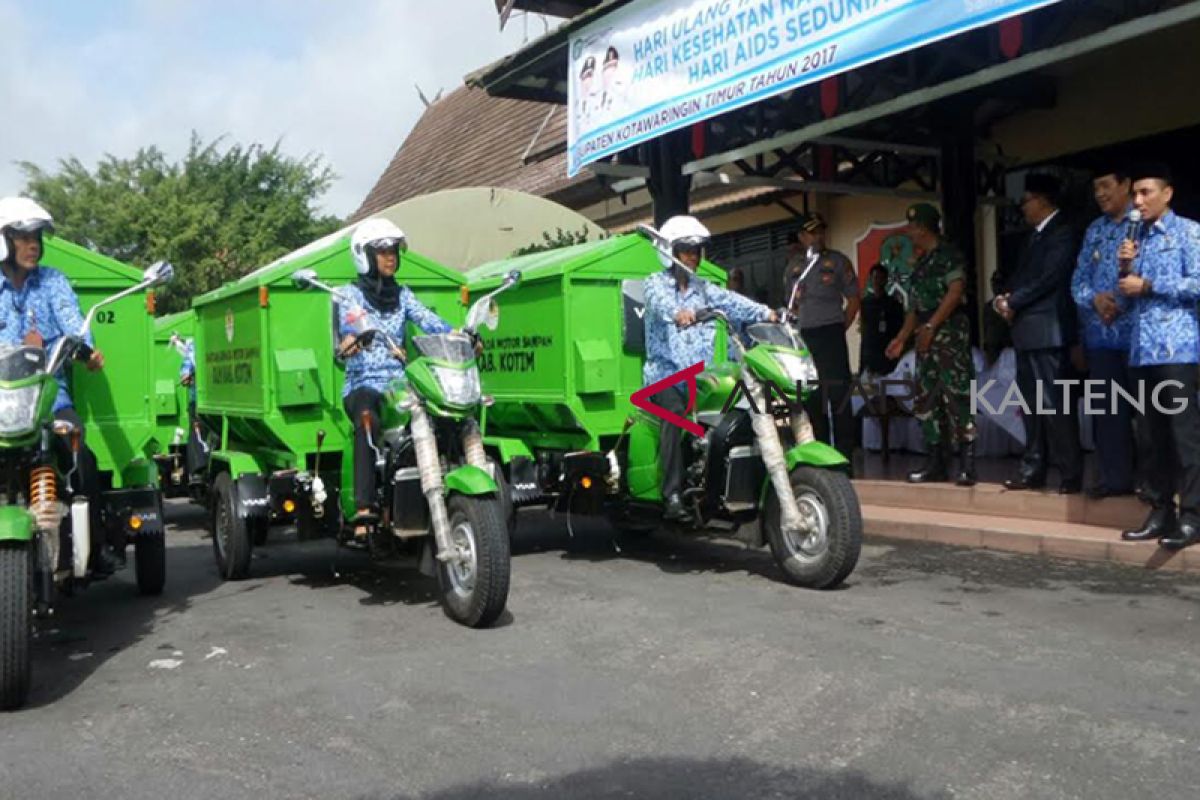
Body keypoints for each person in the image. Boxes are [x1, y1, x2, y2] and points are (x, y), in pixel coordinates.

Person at [0, 196, 110, 571]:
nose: (34, 245)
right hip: (3, 406)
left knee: (83, 461)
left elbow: (73, 323)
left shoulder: (52, 282)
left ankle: (93, 551)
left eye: (38, 237)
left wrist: (86, 351)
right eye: (23, 237)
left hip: (49, 401)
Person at [643, 215, 777, 521]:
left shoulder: (705, 289)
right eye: (687, 249)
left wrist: (769, 313)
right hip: (666, 377)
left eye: (698, 250)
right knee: (674, 413)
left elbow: (733, 302)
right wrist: (679, 313)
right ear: (671, 252)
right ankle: (673, 493)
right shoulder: (654, 284)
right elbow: (659, 304)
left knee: (743, 404)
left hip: (701, 376)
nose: (694, 256)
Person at [336, 218, 454, 538]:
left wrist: (458, 334)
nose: (390, 257)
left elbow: (428, 319)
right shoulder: (348, 296)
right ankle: (364, 506)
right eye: (383, 251)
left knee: (443, 412)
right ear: (365, 256)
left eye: (393, 251)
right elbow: (346, 333)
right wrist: (352, 340)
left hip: (400, 384)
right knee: (365, 417)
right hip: (364, 383)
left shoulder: (402, 295)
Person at [1115, 163, 1200, 550]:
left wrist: (1149, 284)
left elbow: (1197, 284)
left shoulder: (1189, 232)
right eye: (1135, 193)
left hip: (1177, 348)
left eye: (1146, 192)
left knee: (1183, 435)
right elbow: (1123, 296)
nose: (1138, 201)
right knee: (1149, 436)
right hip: (1141, 349)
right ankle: (1160, 510)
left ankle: (1193, 517)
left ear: (1168, 193)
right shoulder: (1136, 240)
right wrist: (1125, 267)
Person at [994, 174, 1084, 494]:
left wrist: (1014, 301)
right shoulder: (1032, 237)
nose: (1023, 207)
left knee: (1055, 405)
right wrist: (1003, 298)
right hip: (1026, 332)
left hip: (1049, 331)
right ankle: (1033, 468)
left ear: (1043, 200)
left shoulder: (1063, 232)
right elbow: (1019, 277)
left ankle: (1070, 472)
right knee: (1031, 405)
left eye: (1026, 200)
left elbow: (1050, 278)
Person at [885, 203, 977, 485]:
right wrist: (901, 338)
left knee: (957, 396)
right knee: (927, 398)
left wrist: (931, 326)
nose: (910, 232)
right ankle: (936, 461)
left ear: (923, 228)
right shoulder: (922, 264)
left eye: (912, 227)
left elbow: (955, 292)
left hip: (948, 334)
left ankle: (966, 464)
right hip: (925, 337)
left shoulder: (949, 256)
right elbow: (914, 308)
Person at [1070, 168, 1137, 498]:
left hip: (1141, 337)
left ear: (1126, 185)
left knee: (1151, 414)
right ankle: (1115, 479)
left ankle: (1155, 484)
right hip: (1101, 337)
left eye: (1106, 186)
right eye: (1095, 187)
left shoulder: (1144, 224)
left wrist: (1119, 302)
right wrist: (1094, 300)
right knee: (1108, 411)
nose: (1100, 193)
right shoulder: (1094, 230)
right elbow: (1078, 280)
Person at [783, 212, 860, 464]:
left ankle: (845, 454)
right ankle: (821, 452)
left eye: (820, 232)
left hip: (831, 333)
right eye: (812, 233)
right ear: (802, 237)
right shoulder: (795, 267)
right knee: (812, 396)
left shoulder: (837, 261)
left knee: (839, 394)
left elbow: (854, 299)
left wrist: (841, 327)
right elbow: (792, 305)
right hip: (805, 337)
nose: (818, 237)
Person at [859, 264, 906, 378]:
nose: (877, 281)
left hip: (887, 354)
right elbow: (864, 329)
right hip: (869, 354)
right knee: (867, 391)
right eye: (874, 278)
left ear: (885, 280)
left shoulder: (894, 304)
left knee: (887, 391)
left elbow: (899, 329)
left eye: (880, 278)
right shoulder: (865, 303)